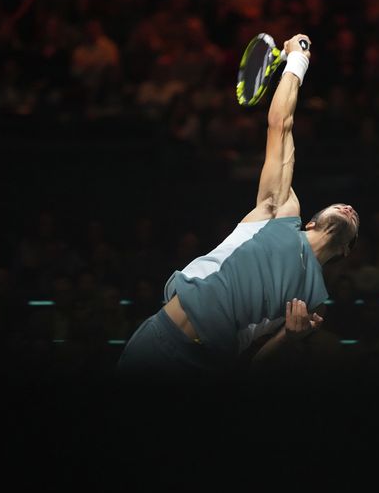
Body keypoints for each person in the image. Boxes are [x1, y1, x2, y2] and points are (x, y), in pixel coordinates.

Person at [118, 34, 360, 379]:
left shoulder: (315, 301)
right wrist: (297, 61)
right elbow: (280, 125)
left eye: (355, 218)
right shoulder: (279, 212)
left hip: (207, 368)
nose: (349, 208)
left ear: (347, 250)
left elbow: (257, 365)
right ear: (311, 221)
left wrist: (290, 338)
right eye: (341, 205)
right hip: (160, 340)